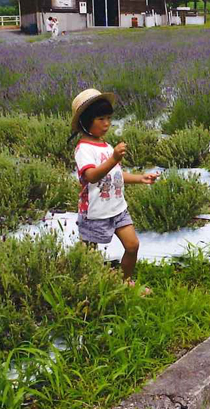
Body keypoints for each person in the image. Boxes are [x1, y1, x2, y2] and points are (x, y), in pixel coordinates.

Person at [69, 89, 159, 291]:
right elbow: (91, 176)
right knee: (88, 256)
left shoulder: (106, 145)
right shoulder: (84, 149)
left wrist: (140, 178)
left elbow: (115, 175)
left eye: (109, 118)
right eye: (101, 119)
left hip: (118, 209)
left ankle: (125, 282)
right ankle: (85, 289)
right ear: (86, 121)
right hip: (94, 213)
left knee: (132, 245)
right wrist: (114, 159)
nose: (107, 123)